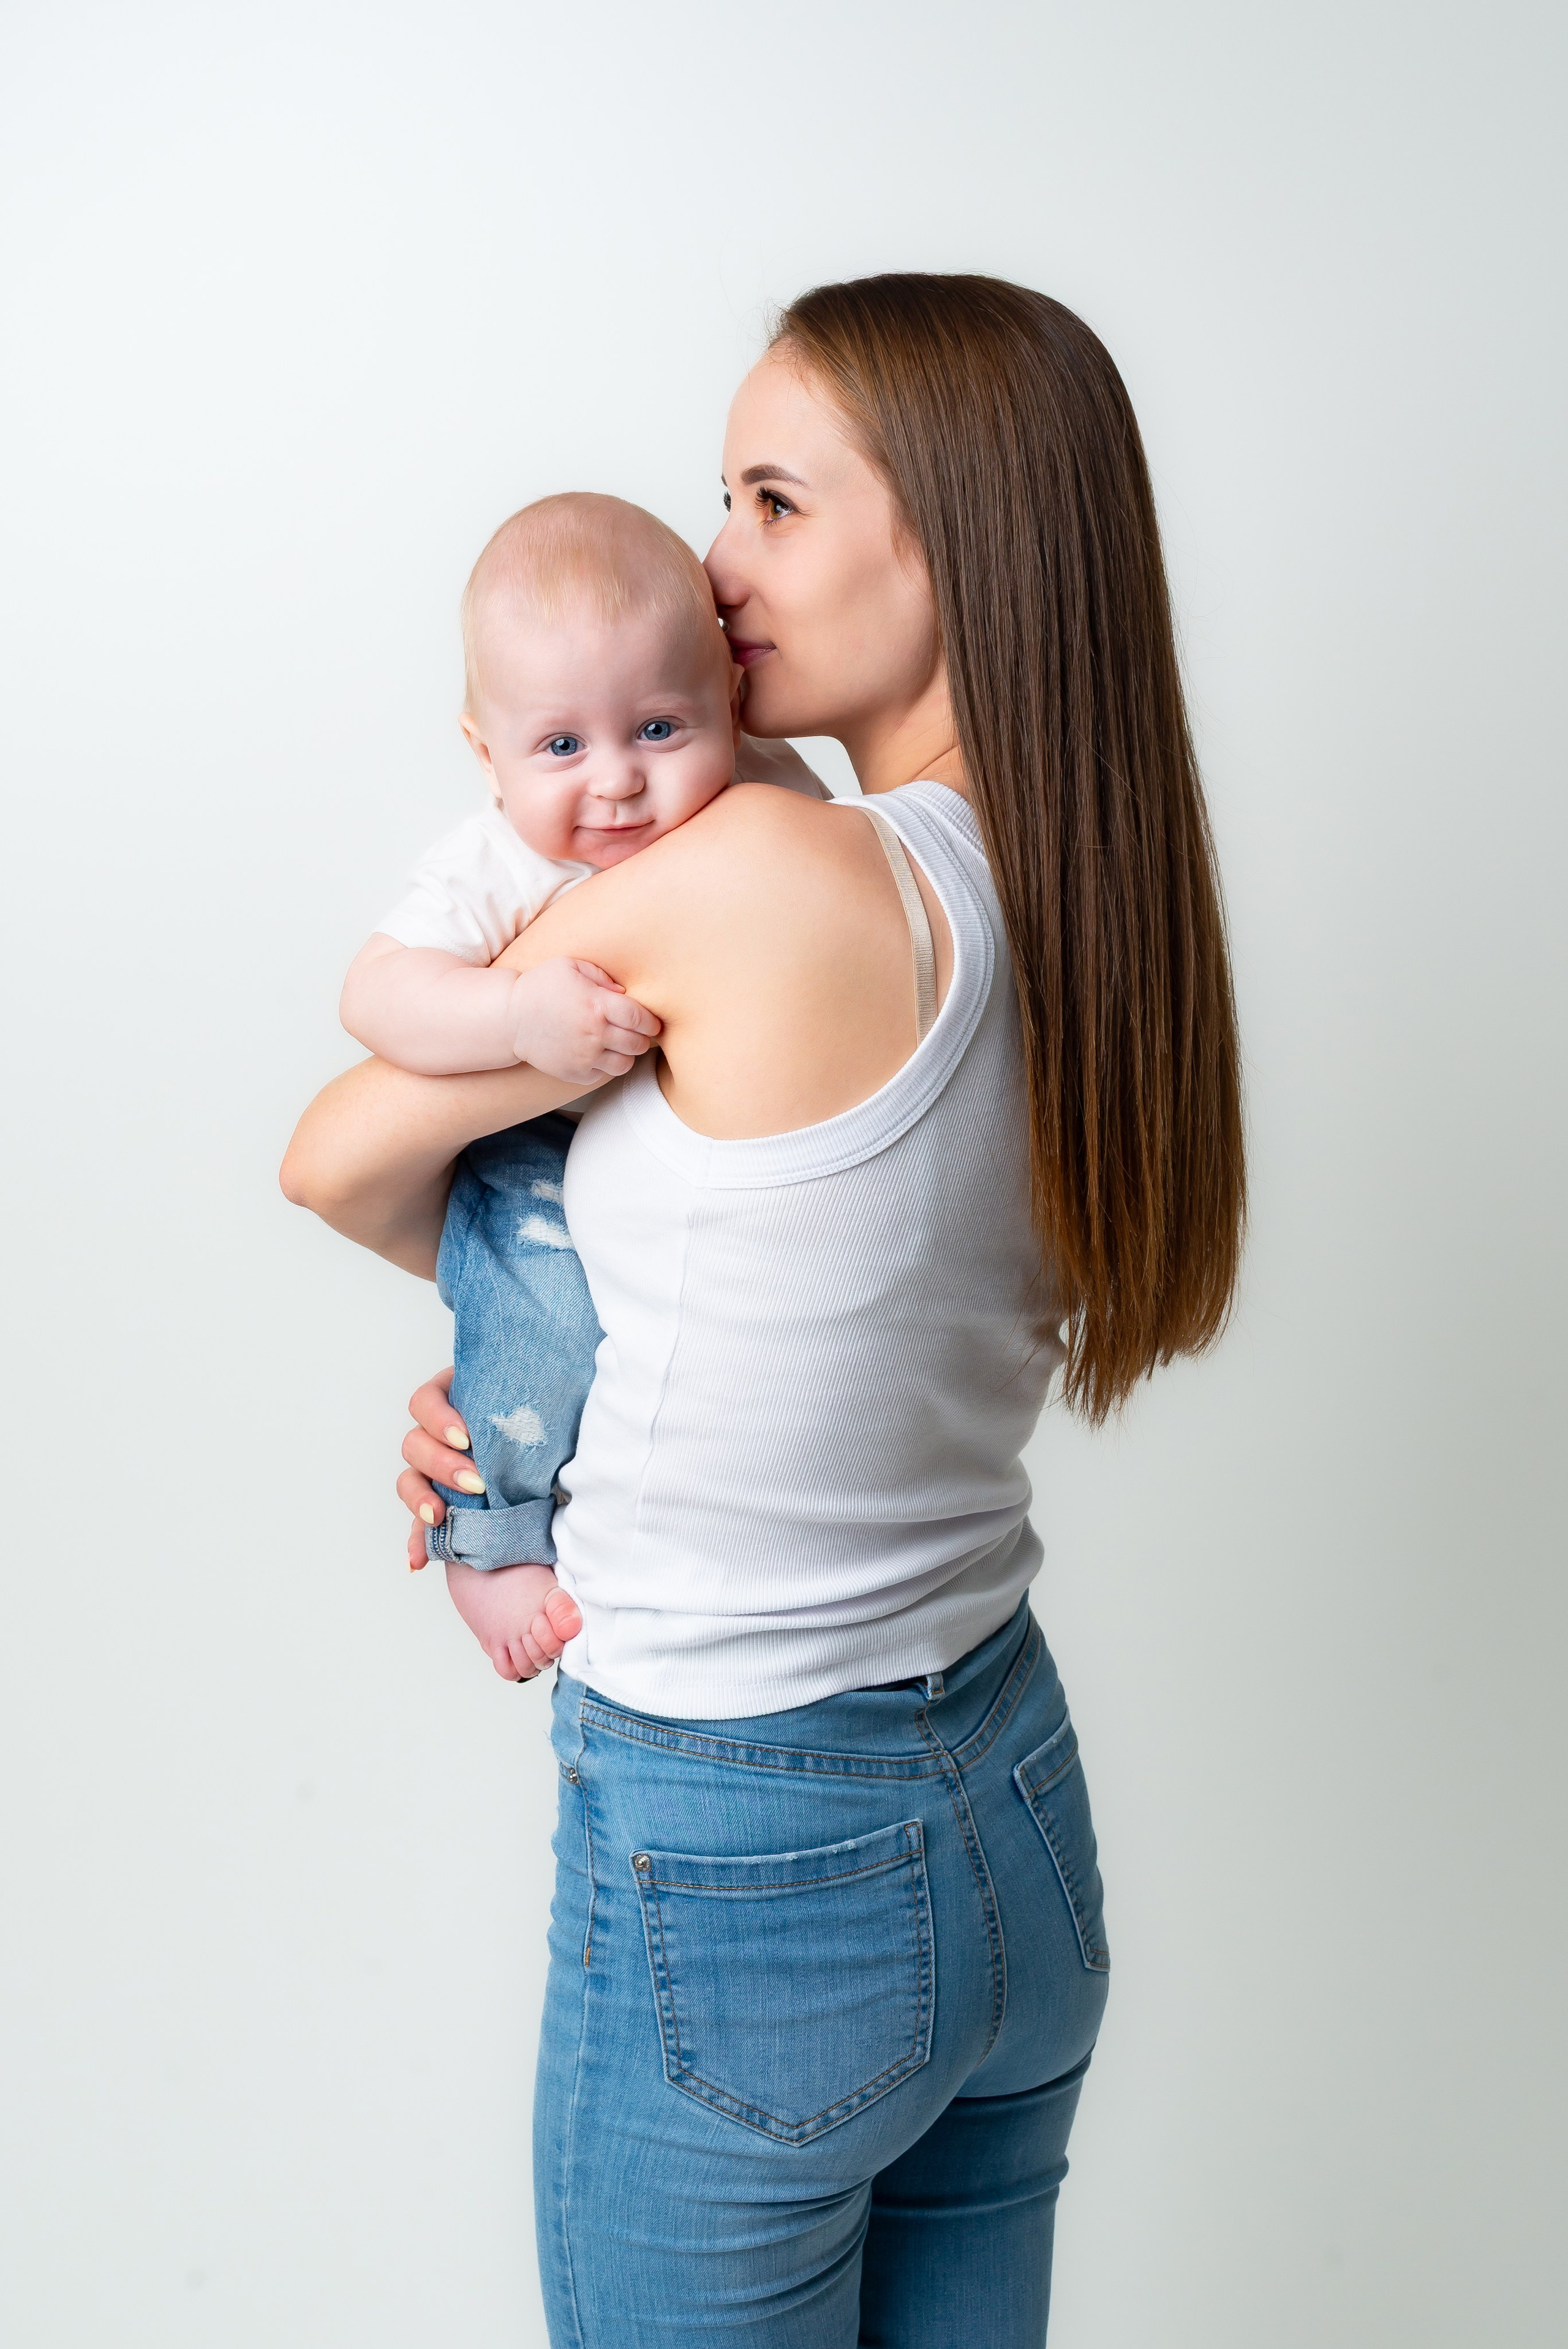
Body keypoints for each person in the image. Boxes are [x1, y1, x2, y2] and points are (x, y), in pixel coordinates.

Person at [282, 271, 1245, 2346]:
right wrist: (550, 1353)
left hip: (750, 1855)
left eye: (773, 502)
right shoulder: (1087, 891)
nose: (714, 571)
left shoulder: (770, 874)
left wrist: (506, 1310)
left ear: (958, 535)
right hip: (1013, 1811)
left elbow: (342, 1146)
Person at [337, 491, 821, 1671]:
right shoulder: (496, 860)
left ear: (730, 698)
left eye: (661, 727)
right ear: (486, 754)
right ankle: (493, 1543)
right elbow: (376, 994)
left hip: (682, 1151)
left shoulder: (770, 801)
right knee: (541, 1323)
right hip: (533, 1151)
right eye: (562, 746)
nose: (615, 783)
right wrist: (515, 1012)